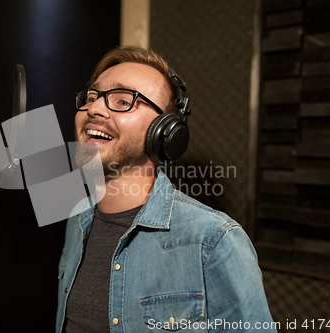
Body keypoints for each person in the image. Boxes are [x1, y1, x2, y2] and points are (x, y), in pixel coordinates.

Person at [56, 46, 276, 332]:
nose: (94, 108)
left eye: (123, 101)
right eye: (92, 97)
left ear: (165, 132)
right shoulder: (78, 218)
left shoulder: (214, 240)